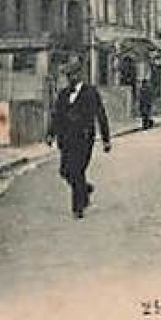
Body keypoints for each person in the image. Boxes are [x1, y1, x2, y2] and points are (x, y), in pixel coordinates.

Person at [47, 60, 112, 218]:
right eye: (69, 76)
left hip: (84, 138)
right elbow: (57, 116)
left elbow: (101, 115)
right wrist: (50, 134)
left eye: (74, 74)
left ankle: (78, 207)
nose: (72, 78)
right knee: (65, 171)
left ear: (80, 75)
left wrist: (106, 139)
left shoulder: (91, 93)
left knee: (77, 170)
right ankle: (84, 189)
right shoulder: (63, 94)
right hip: (66, 140)